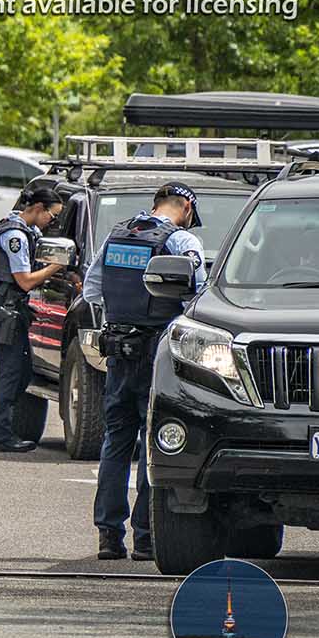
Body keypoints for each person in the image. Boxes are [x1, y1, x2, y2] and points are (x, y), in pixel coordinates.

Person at [81, 182, 205, 561]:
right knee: (156, 445)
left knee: (116, 444)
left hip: (119, 351)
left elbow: (91, 291)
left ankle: (108, 536)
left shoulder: (117, 235)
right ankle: (146, 536)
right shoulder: (182, 242)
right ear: (185, 206)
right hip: (158, 354)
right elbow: (197, 296)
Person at [0, 188, 65, 453]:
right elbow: (24, 281)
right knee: (10, 374)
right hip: (5, 310)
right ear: (37, 208)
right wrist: (54, 269)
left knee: (20, 371)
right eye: (52, 215)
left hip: (9, 309)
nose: (52, 222)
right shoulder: (15, 235)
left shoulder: (25, 230)